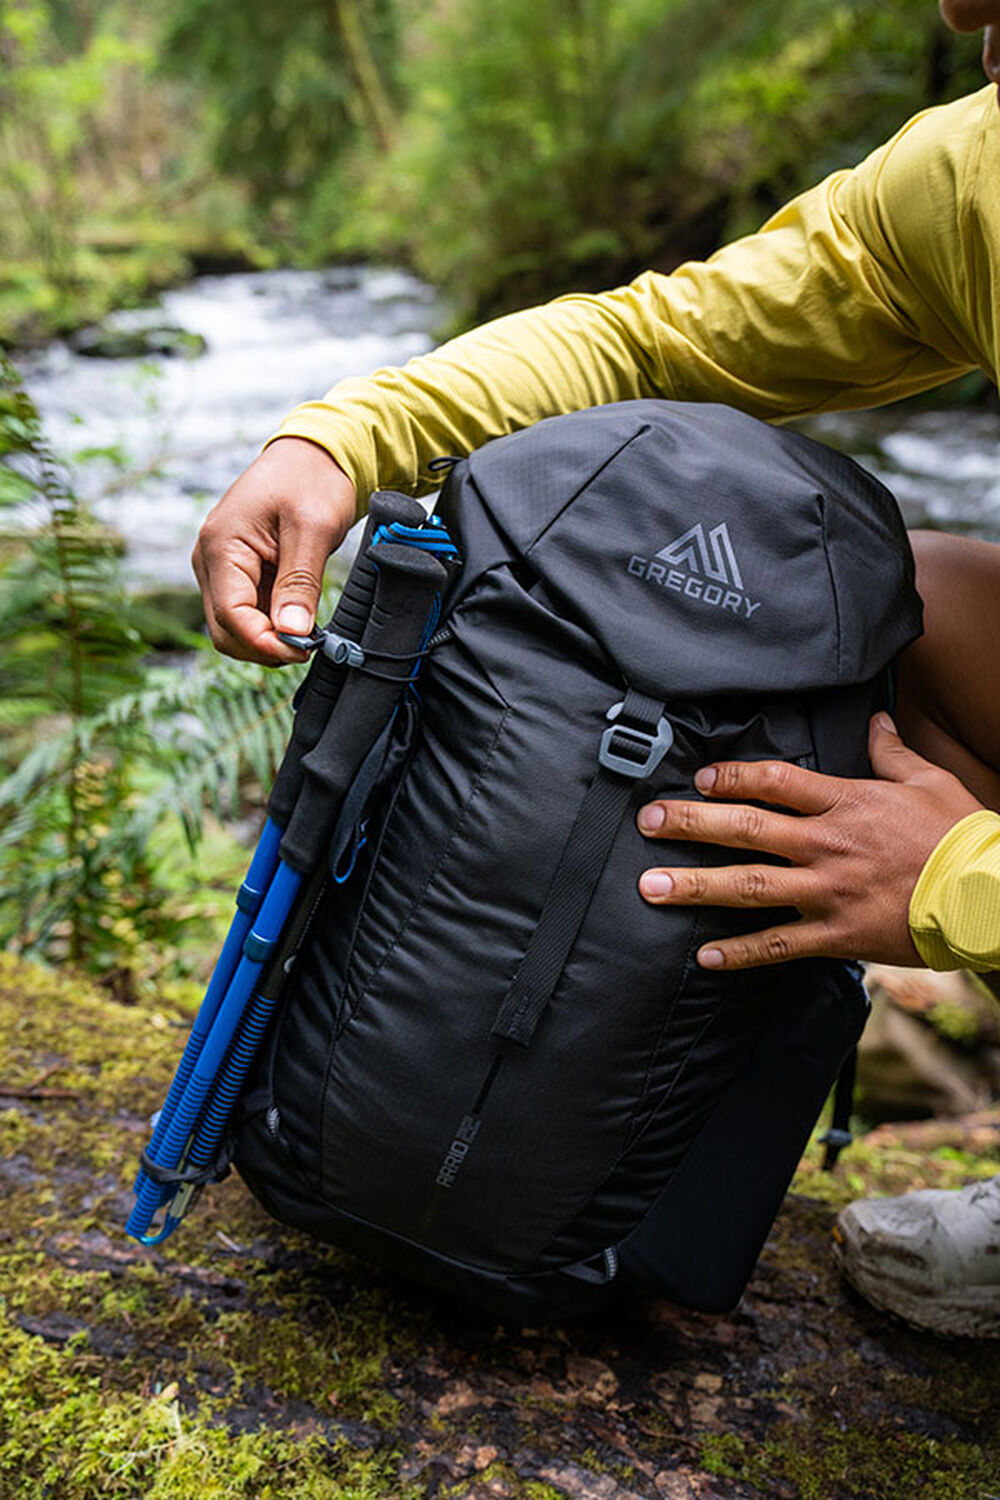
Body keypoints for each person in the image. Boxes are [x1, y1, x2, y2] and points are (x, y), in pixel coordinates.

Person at [191, 1, 1000, 1336]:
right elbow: (654, 345)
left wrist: (962, 880)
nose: (960, 13)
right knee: (924, 617)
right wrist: (345, 438)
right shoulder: (979, 176)